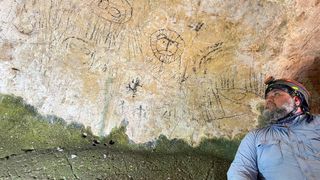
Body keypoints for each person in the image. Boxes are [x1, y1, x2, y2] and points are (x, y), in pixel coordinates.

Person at [227, 76, 320, 180]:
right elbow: (240, 171)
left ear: (297, 100)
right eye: (267, 97)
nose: (268, 100)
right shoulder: (254, 137)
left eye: (276, 94)